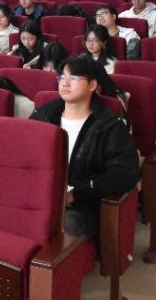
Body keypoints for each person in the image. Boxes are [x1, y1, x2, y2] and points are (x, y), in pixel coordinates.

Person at [30, 57, 139, 239]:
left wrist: (76, 193)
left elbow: (124, 174)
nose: (65, 83)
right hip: (38, 198)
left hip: (81, 207)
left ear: (92, 85)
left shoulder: (109, 125)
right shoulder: (43, 116)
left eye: (73, 78)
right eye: (62, 77)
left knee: (54, 227)